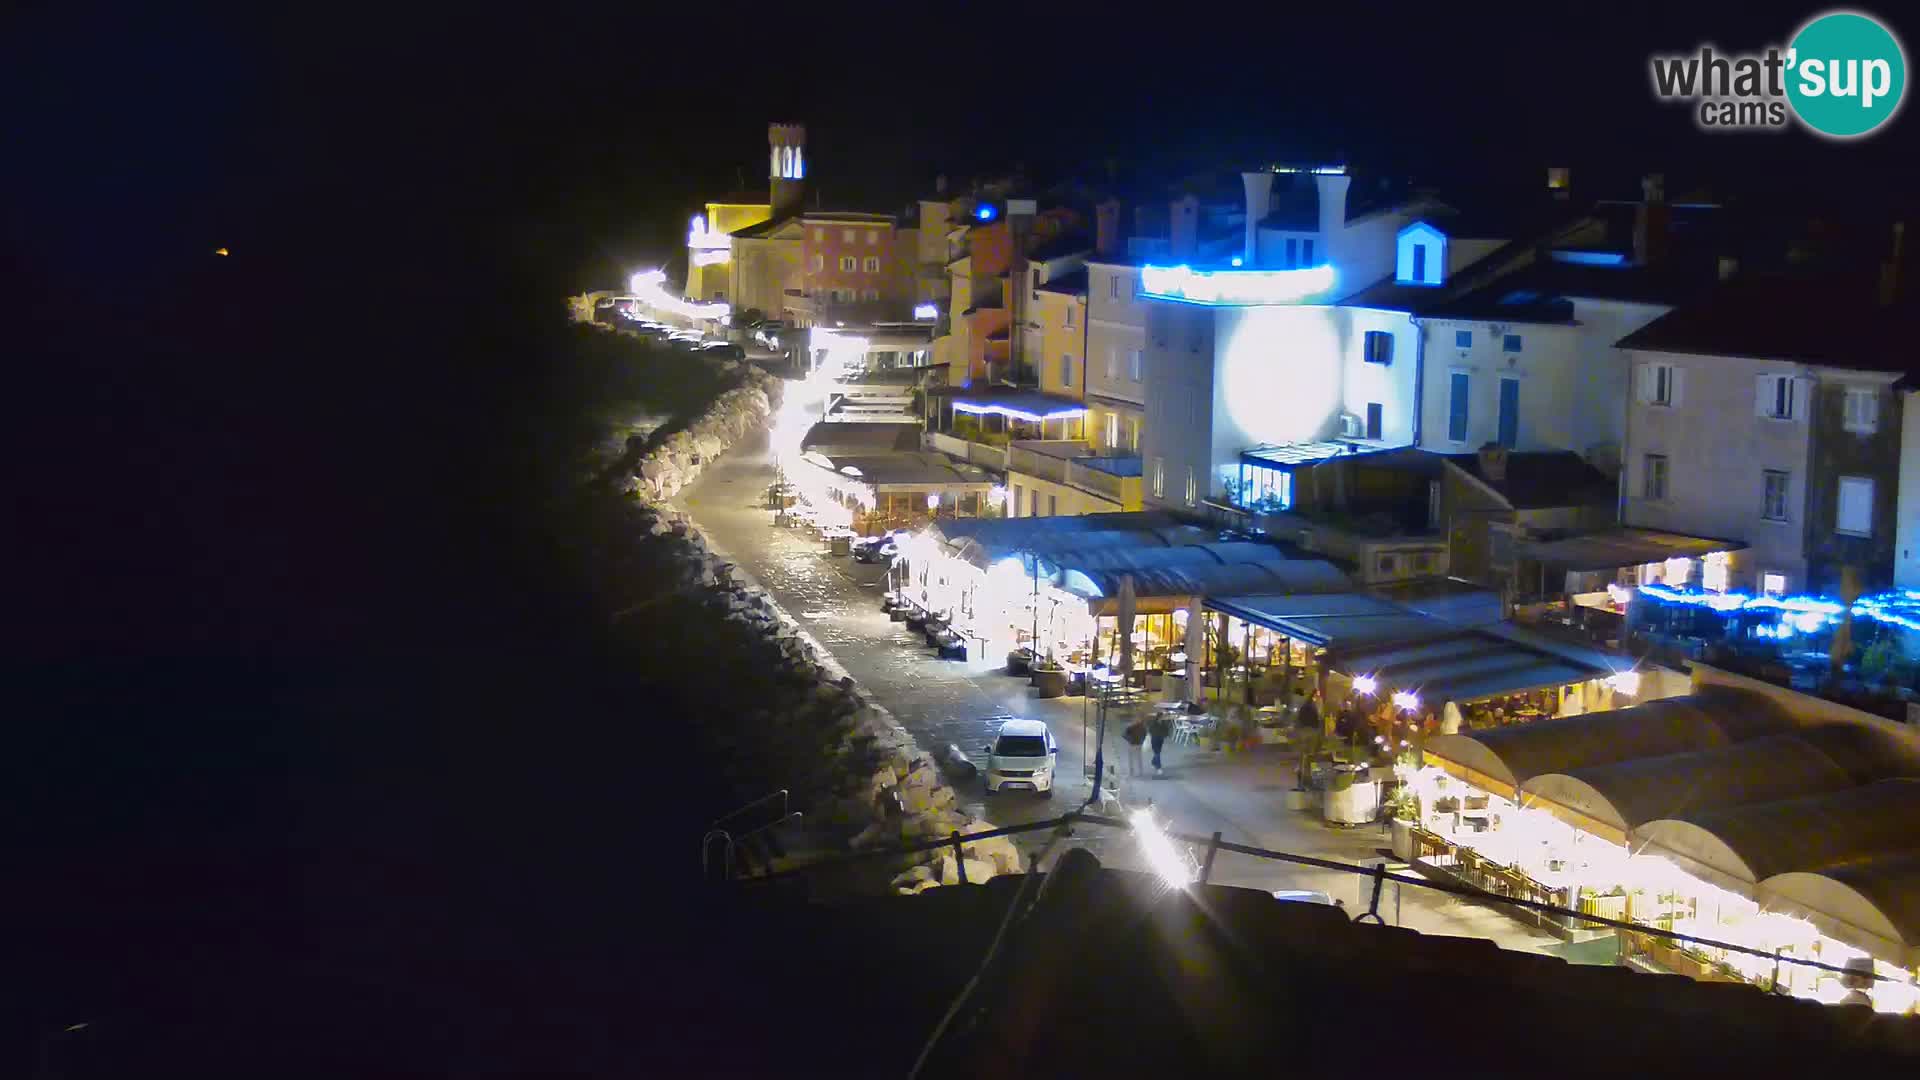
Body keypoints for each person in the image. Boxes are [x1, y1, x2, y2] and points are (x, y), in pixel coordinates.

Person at [1147, 709, 1173, 775]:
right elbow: (1150, 731)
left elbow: (1166, 730)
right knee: (1157, 753)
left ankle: (1153, 762)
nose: (1163, 718)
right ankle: (1159, 768)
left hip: (1160, 740)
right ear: (1159, 717)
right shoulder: (1153, 723)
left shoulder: (1163, 723)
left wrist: (1166, 736)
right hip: (1155, 740)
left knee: (1157, 753)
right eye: (1162, 717)